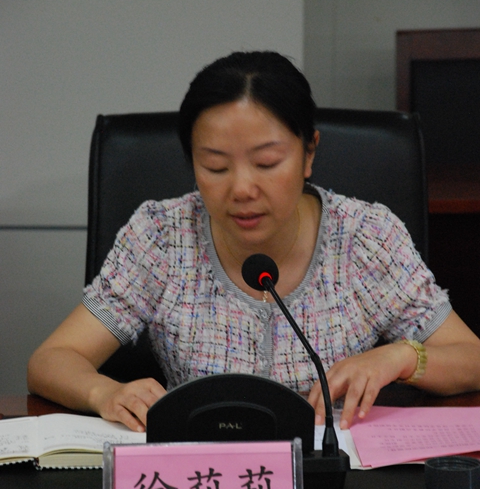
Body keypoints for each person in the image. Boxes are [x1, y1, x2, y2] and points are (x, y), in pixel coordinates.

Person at [27, 51, 480, 433]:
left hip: (336, 486)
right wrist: (103, 392)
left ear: (309, 152)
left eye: (266, 163)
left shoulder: (365, 238)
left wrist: (402, 357)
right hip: (203, 480)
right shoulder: (162, 237)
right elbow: (52, 360)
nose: (242, 189)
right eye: (216, 167)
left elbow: (472, 358)